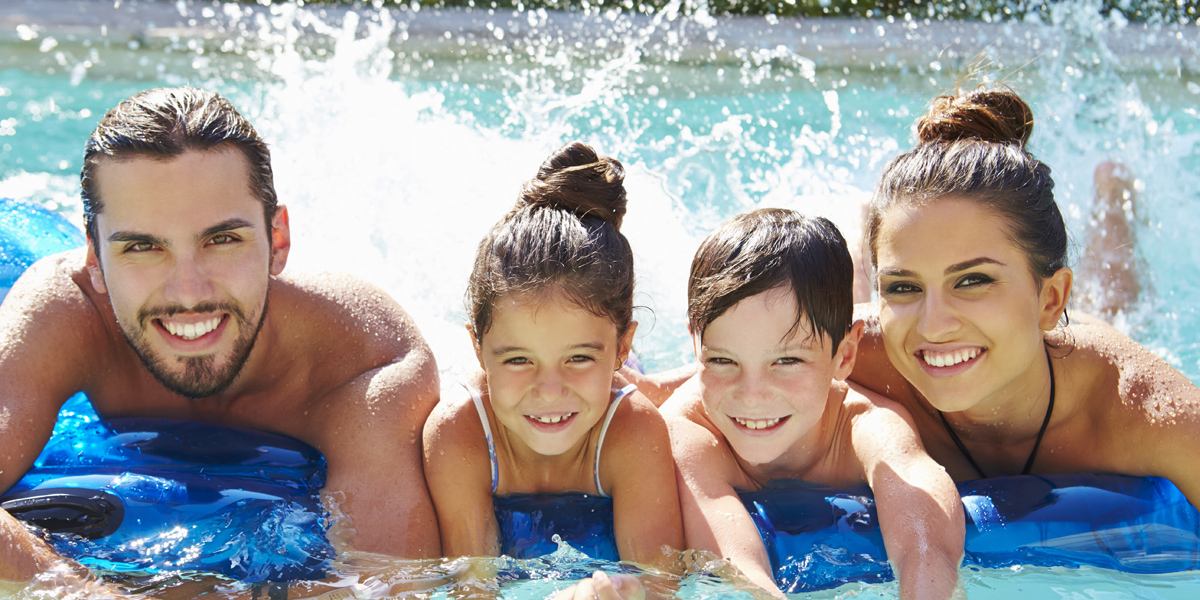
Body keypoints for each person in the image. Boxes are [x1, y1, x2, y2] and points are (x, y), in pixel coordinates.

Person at [0, 87, 441, 588]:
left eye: (222, 239)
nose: (188, 293)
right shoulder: (66, 310)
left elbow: (391, 583)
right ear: (96, 260)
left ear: (278, 241)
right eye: (143, 246)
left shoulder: (368, 363)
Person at [850, 84, 1200, 505]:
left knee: (1115, 302)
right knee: (844, 290)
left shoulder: (1139, 407)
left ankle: (1112, 196)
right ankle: (862, 233)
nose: (934, 325)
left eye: (973, 280)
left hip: (1076, 342)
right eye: (902, 287)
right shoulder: (845, 354)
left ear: (1052, 299)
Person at [661, 208, 964, 599]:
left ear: (845, 356)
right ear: (695, 345)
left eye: (787, 361)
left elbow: (927, 539)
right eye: (722, 360)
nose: (752, 395)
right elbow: (736, 565)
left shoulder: (862, 422)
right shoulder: (688, 430)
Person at [422, 142, 683, 595]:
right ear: (479, 349)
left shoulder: (634, 431)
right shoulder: (458, 431)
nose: (548, 390)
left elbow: (661, 585)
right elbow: (471, 586)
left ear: (622, 345)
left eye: (578, 357)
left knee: (660, 394)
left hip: (620, 383)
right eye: (518, 359)